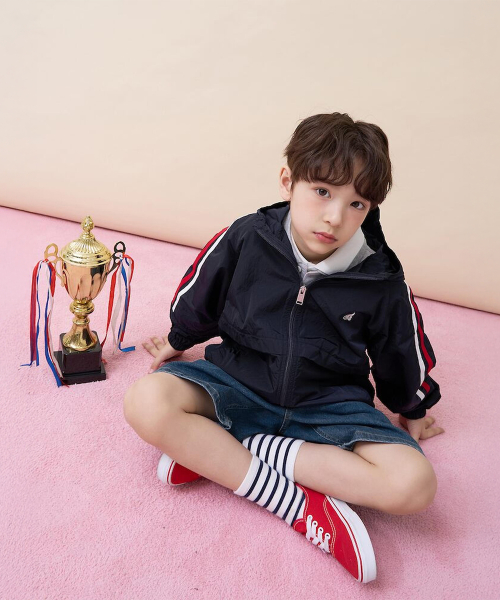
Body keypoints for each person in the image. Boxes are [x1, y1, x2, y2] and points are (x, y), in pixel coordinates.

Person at [124, 112, 445, 584]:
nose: (335, 217)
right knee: (146, 401)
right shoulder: (248, 236)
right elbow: (203, 288)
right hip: (237, 380)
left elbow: (402, 347)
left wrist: (413, 405)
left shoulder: (381, 278)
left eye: (357, 203)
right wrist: (179, 337)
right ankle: (293, 503)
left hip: (327, 405)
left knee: (416, 485)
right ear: (288, 181)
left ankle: (225, 452)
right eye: (322, 192)